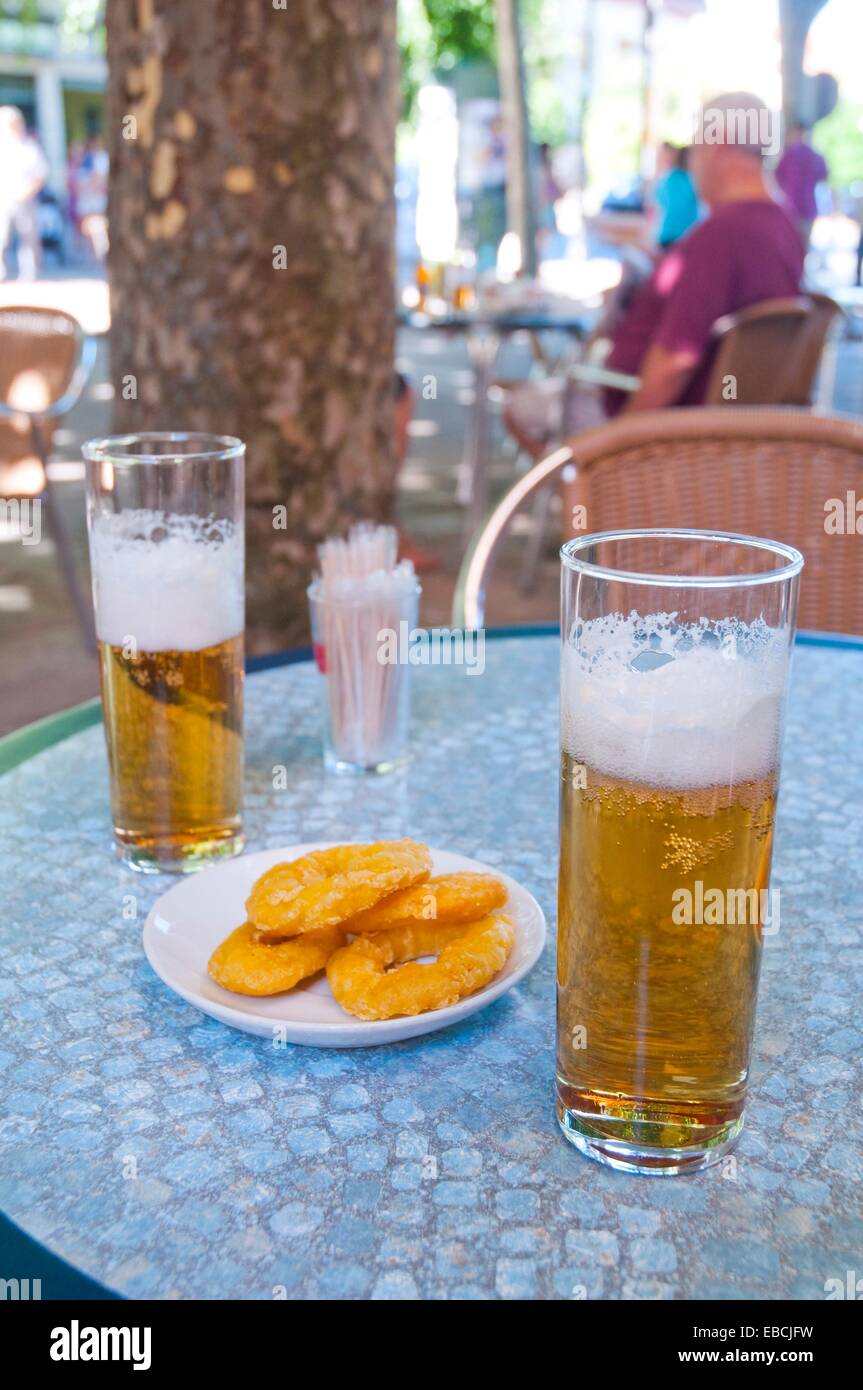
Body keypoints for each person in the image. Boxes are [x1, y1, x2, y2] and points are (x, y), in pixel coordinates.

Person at [503, 92, 805, 458]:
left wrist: (622, 445)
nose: (691, 163)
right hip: (733, 424)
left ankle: (586, 502)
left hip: (664, 425)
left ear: (718, 144)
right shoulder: (783, 228)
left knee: (518, 407)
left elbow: (675, 360)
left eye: (694, 148)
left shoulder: (722, 236)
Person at [0, 107, 47, 281]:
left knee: (29, 239)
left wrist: (27, 191)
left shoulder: (29, 147)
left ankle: (30, 274)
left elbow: (40, 174)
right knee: (1, 238)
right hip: (4, 199)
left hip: (26, 199)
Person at [775, 122, 828, 247]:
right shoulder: (814, 155)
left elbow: (777, 177)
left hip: (791, 207)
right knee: (802, 245)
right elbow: (824, 175)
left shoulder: (788, 155)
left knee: (790, 246)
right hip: (805, 207)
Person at [653, 142, 700, 248]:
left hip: (666, 233)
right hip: (687, 235)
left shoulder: (667, 178)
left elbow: (659, 199)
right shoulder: (693, 180)